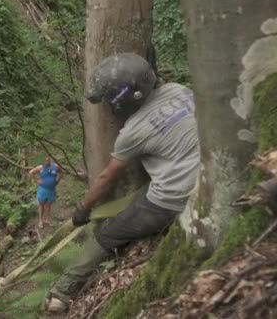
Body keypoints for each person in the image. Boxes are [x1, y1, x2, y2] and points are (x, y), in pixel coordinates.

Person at [45, 53, 199, 312]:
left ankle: (62, 291)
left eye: (108, 101)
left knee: (108, 235)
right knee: (140, 196)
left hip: (174, 196)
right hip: (208, 173)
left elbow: (107, 177)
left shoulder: (133, 131)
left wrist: (83, 209)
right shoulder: (179, 90)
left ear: (123, 100)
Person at [29, 156, 61, 229]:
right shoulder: (41, 167)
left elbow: (61, 173)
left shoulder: (55, 167)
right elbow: (31, 172)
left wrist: (57, 181)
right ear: (44, 161)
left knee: (48, 205)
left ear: (51, 160)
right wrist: (36, 180)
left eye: (48, 160)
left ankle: (47, 219)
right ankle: (40, 220)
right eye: (45, 161)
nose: (47, 162)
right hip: (42, 189)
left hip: (51, 190)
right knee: (41, 205)